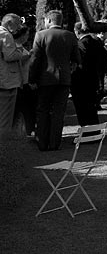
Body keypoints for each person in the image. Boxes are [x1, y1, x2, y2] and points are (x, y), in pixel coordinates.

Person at [29, 11, 82, 151]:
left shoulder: (40, 35)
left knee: (43, 110)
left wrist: (31, 79)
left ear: (48, 20)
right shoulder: (70, 36)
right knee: (59, 112)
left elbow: (35, 59)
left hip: (45, 78)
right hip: (64, 79)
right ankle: (54, 143)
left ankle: (42, 142)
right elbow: (77, 59)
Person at [70, 22, 107, 126]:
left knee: (82, 109)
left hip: (82, 81)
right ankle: (94, 132)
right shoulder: (97, 42)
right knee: (92, 109)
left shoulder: (81, 44)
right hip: (94, 79)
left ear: (77, 31)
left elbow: (80, 62)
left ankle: (86, 133)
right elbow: (104, 61)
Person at [0, 12, 30, 140]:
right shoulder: (6, 35)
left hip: (3, 78)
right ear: (9, 23)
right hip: (8, 80)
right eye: (17, 24)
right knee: (5, 118)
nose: (18, 28)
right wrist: (21, 52)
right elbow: (10, 56)